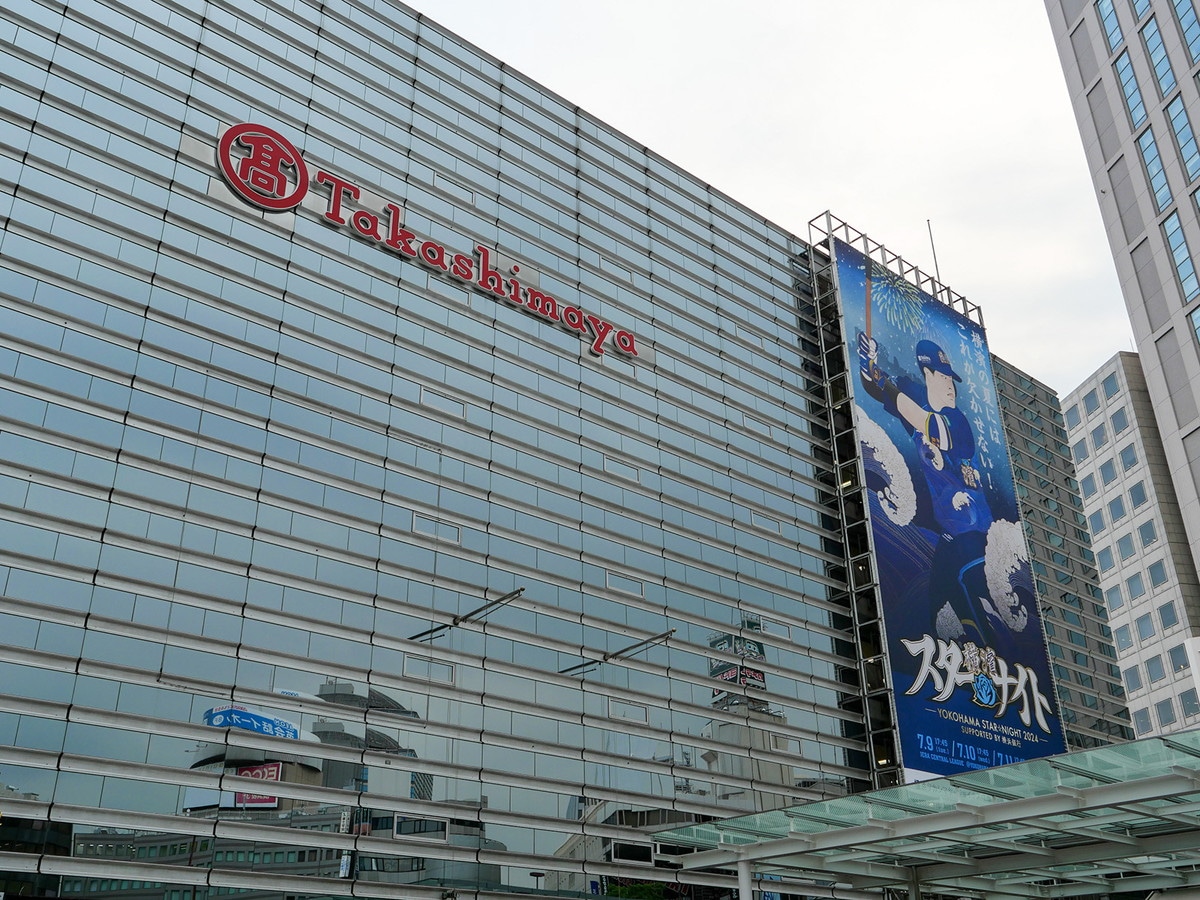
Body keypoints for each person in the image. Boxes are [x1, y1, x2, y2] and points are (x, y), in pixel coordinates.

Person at [858, 332, 998, 649]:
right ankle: (974, 660)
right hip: (950, 537)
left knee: (964, 587)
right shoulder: (915, 399)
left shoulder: (957, 420)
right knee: (938, 601)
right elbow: (875, 388)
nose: (951, 386)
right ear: (927, 374)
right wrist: (870, 364)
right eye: (943, 376)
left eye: (952, 378)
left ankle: (991, 654)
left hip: (976, 535)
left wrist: (888, 388)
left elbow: (928, 425)